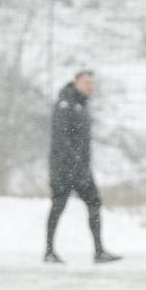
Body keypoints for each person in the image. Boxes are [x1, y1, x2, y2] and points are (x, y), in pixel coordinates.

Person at [45, 69, 120, 264]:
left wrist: (83, 165)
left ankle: (99, 251)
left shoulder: (81, 105)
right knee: (58, 206)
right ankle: (49, 251)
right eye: (87, 83)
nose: (90, 87)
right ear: (76, 82)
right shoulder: (65, 105)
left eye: (92, 83)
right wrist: (71, 165)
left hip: (81, 168)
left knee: (94, 203)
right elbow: (62, 140)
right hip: (64, 168)